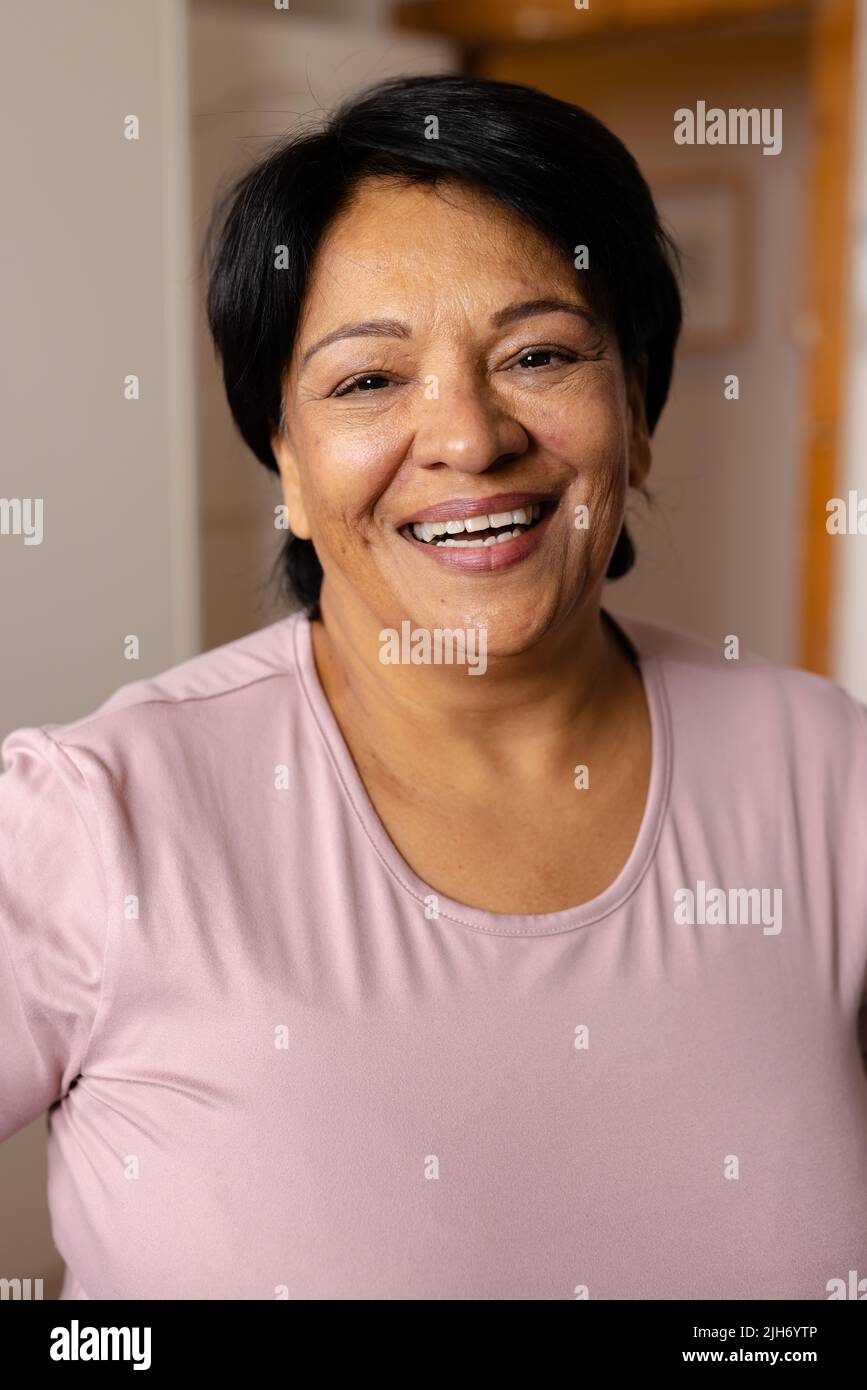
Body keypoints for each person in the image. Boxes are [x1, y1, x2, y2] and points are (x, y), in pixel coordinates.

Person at [1, 74, 866, 1301]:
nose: (467, 437)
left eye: (541, 353)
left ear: (638, 411)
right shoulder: (89, 818)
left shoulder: (829, 775)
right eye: (367, 381)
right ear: (288, 467)